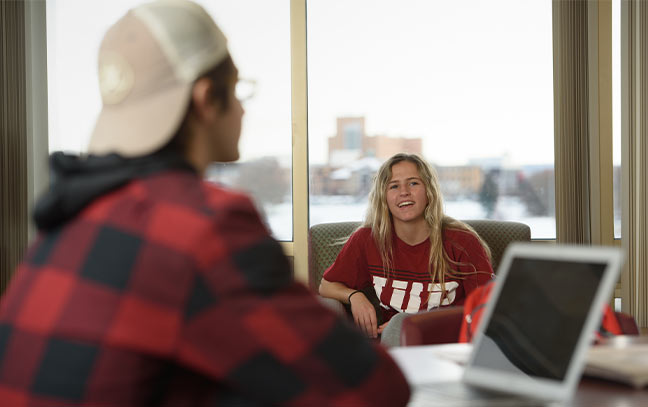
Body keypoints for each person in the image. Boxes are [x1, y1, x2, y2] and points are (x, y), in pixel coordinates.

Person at [0, 1, 410, 406]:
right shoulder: (202, 224)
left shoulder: (71, 215)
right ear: (206, 98)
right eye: (237, 89)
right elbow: (373, 389)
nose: (244, 107)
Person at [319, 153, 495, 346]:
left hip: (450, 344)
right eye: (394, 186)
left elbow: (486, 308)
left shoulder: (463, 242)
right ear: (383, 197)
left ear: (429, 191)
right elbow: (327, 286)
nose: (404, 192)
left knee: (400, 323)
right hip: (395, 343)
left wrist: (415, 326)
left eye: (413, 183)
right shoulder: (368, 239)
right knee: (398, 327)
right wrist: (355, 296)